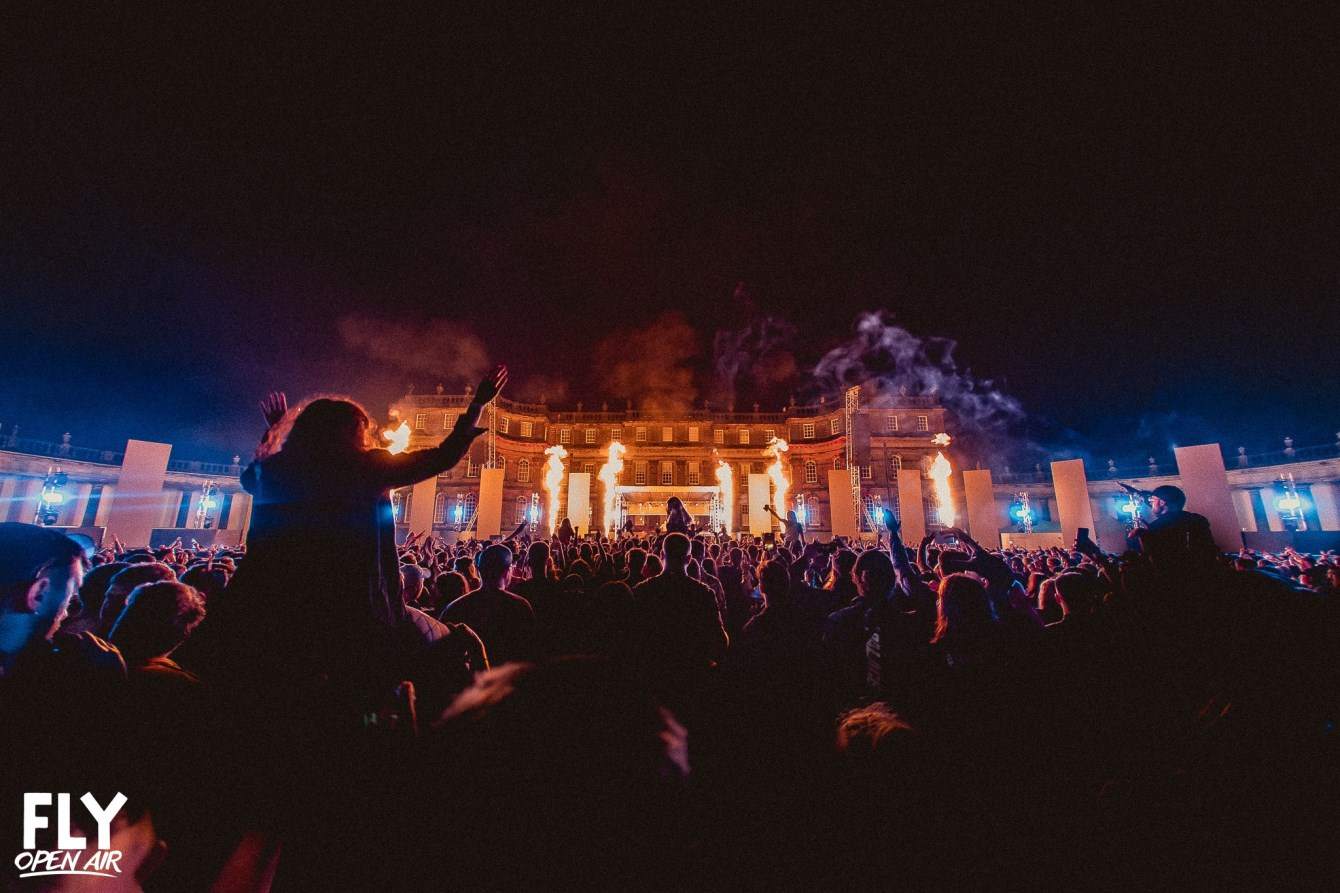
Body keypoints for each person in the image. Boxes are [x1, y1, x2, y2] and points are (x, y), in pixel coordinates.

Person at [200, 365, 507, 697]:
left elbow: (251, 475)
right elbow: (442, 457)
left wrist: (276, 431)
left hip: (279, 608)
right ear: (351, 432)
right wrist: (476, 405)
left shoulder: (272, 472)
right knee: (456, 647)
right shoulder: (365, 466)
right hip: (361, 613)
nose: (368, 434)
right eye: (363, 428)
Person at [439, 543, 536, 665]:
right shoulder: (520, 607)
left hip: (469, 682)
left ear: (479, 571)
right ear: (507, 572)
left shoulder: (455, 607)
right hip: (507, 679)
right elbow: (530, 651)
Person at [1126, 484, 1217, 565]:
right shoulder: (1197, 519)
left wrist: (1142, 534)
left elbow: (1153, 557)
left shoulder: (1159, 526)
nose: (1151, 503)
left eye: (1152, 500)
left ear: (1162, 502)